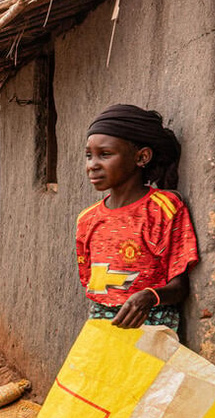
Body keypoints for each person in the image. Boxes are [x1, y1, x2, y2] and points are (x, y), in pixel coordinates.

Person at [77, 104, 198, 330]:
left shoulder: (164, 209)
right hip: (100, 326)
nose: (92, 165)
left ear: (142, 157)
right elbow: (90, 283)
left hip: (152, 326)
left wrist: (149, 296)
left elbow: (180, 285)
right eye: (88, 156)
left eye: (105, 154)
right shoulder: (87, 219)